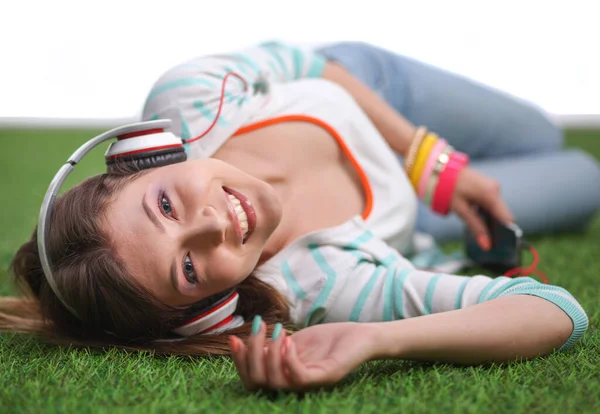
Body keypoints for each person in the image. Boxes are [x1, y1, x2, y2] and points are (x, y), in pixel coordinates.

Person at [2, 41, 596, 392]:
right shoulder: (325, 281)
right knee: (583, 178)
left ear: (145, 155)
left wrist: (429, 160)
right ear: (208, 310)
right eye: (187, 267)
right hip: (418, 216)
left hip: (374, 91)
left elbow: (307, 64)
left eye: (165, 204)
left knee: (540, 130)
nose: (213, 225)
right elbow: (558, 312)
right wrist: (376, 339)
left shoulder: (190, 101)